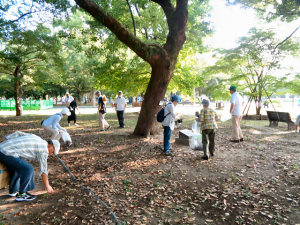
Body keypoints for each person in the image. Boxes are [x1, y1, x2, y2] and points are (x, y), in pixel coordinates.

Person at [0, 131, 60, 201]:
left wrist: (7, 139)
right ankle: (22, 194)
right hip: (7, 152)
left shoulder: (37, 138)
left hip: (2, 148)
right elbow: (43, 170)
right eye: (52, 152)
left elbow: (19, 133)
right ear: (51, 146)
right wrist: (47, 185)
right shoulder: (44, 150)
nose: (51, 154)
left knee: (19, 167)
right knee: (28, 169)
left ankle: (14, 191)